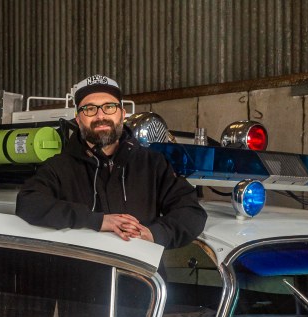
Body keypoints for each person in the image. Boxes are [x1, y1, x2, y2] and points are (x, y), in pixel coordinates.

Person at [14, 74, 206, 247]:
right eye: (89, 109)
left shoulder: (152, 164)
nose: (100, 116)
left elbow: (191, 212)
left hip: (144, 279)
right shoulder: (60, 166)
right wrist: (96, 221)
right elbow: (29, 203)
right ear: (78, 119)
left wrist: (155, 234)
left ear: (122, 114)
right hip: (84, 280)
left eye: (109, 107)